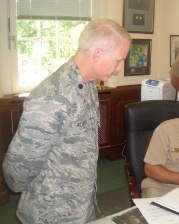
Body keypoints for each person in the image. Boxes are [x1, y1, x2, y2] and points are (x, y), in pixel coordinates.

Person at [2, 18, 131, 223]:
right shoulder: (53, 97)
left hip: (81, 205)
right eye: (118, 60)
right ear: (98, 54)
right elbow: (17, 172)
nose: (120, 68)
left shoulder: (87, 84)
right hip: (50, 212)